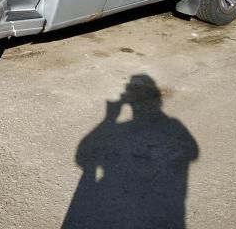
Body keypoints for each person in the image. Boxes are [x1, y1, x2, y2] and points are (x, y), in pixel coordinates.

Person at [63, 74, 199, 229]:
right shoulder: (174, 125)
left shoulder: (171, 125)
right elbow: (192, 152)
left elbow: (83, 155)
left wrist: (109, 118)